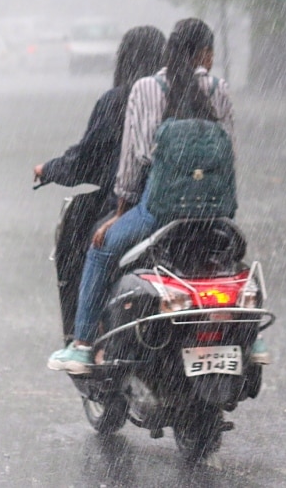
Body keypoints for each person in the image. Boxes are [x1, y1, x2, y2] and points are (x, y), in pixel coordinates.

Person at [48, 18, 268, 373]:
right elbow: (230, 152)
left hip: (159, 208)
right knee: (231, 260)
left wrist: (121, 210)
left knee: (101, 250)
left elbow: (134, 159)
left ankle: (84, 343)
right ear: (206, 54)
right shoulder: (218, 88)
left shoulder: (147, 89)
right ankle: (252, 337)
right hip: (212, 211)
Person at [34, 26, 166, 342]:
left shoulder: (118, 101)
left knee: (89, 245)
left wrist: (49, 169)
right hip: (179, 204)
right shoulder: (177, 100)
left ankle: (87, 338)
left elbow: (87, 162)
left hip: (131, 205)